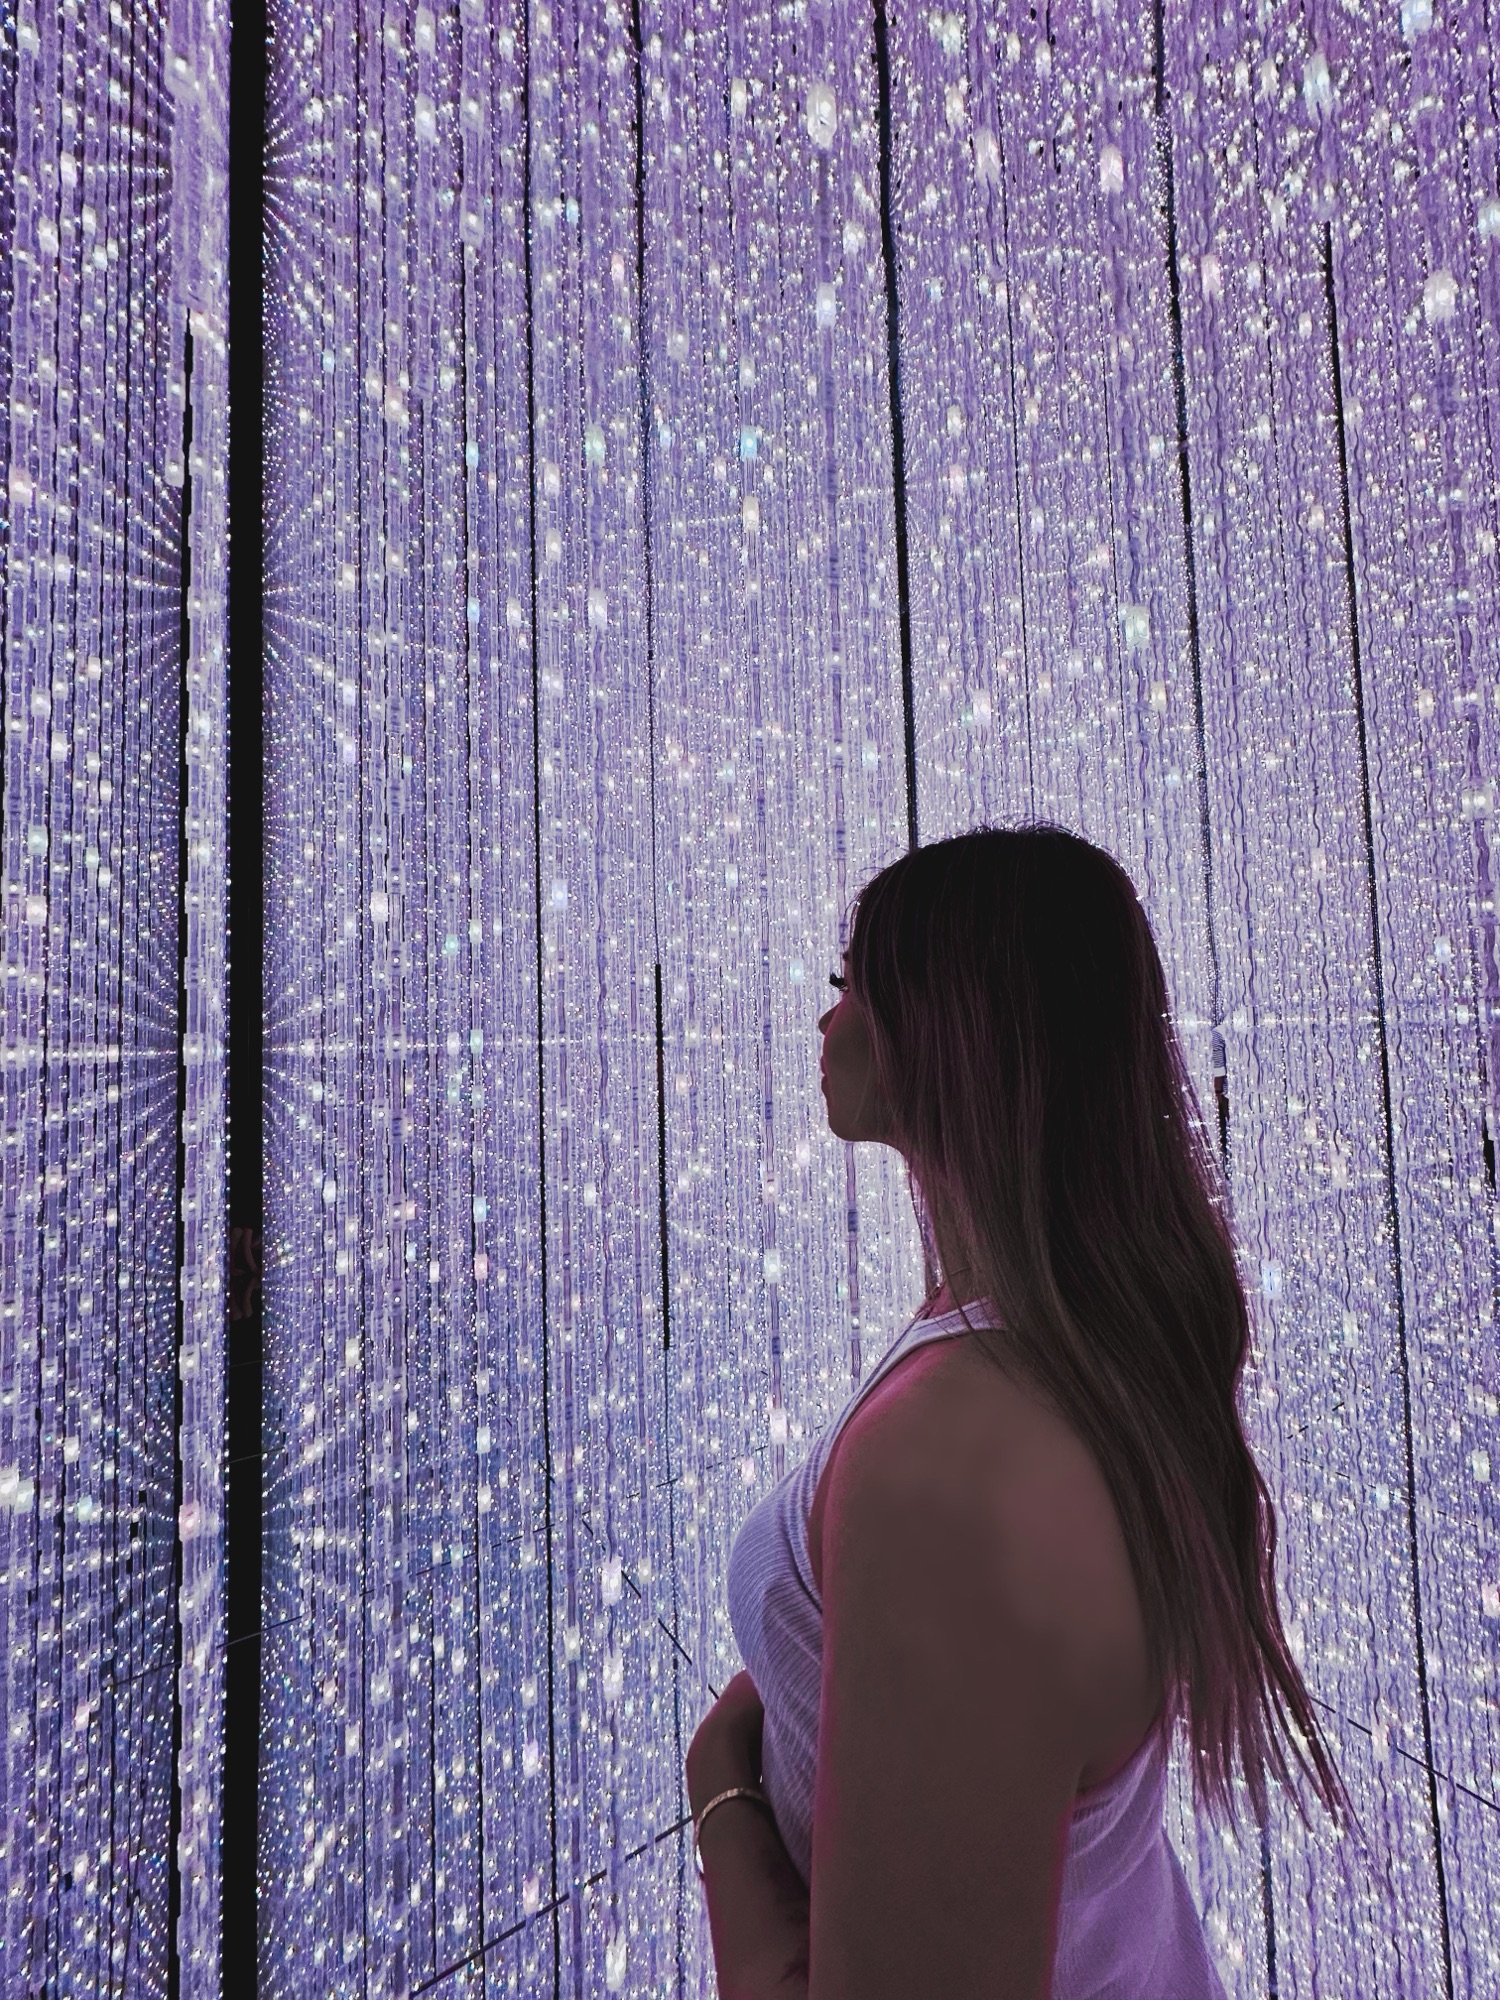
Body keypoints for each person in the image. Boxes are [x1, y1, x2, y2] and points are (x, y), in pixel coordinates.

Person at [686, 825, 1349, 1999]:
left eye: (851, 982)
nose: (825, 1017)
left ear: (947, 1023)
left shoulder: (955, 1465)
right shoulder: (1051, 1354)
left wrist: (720, 1794)